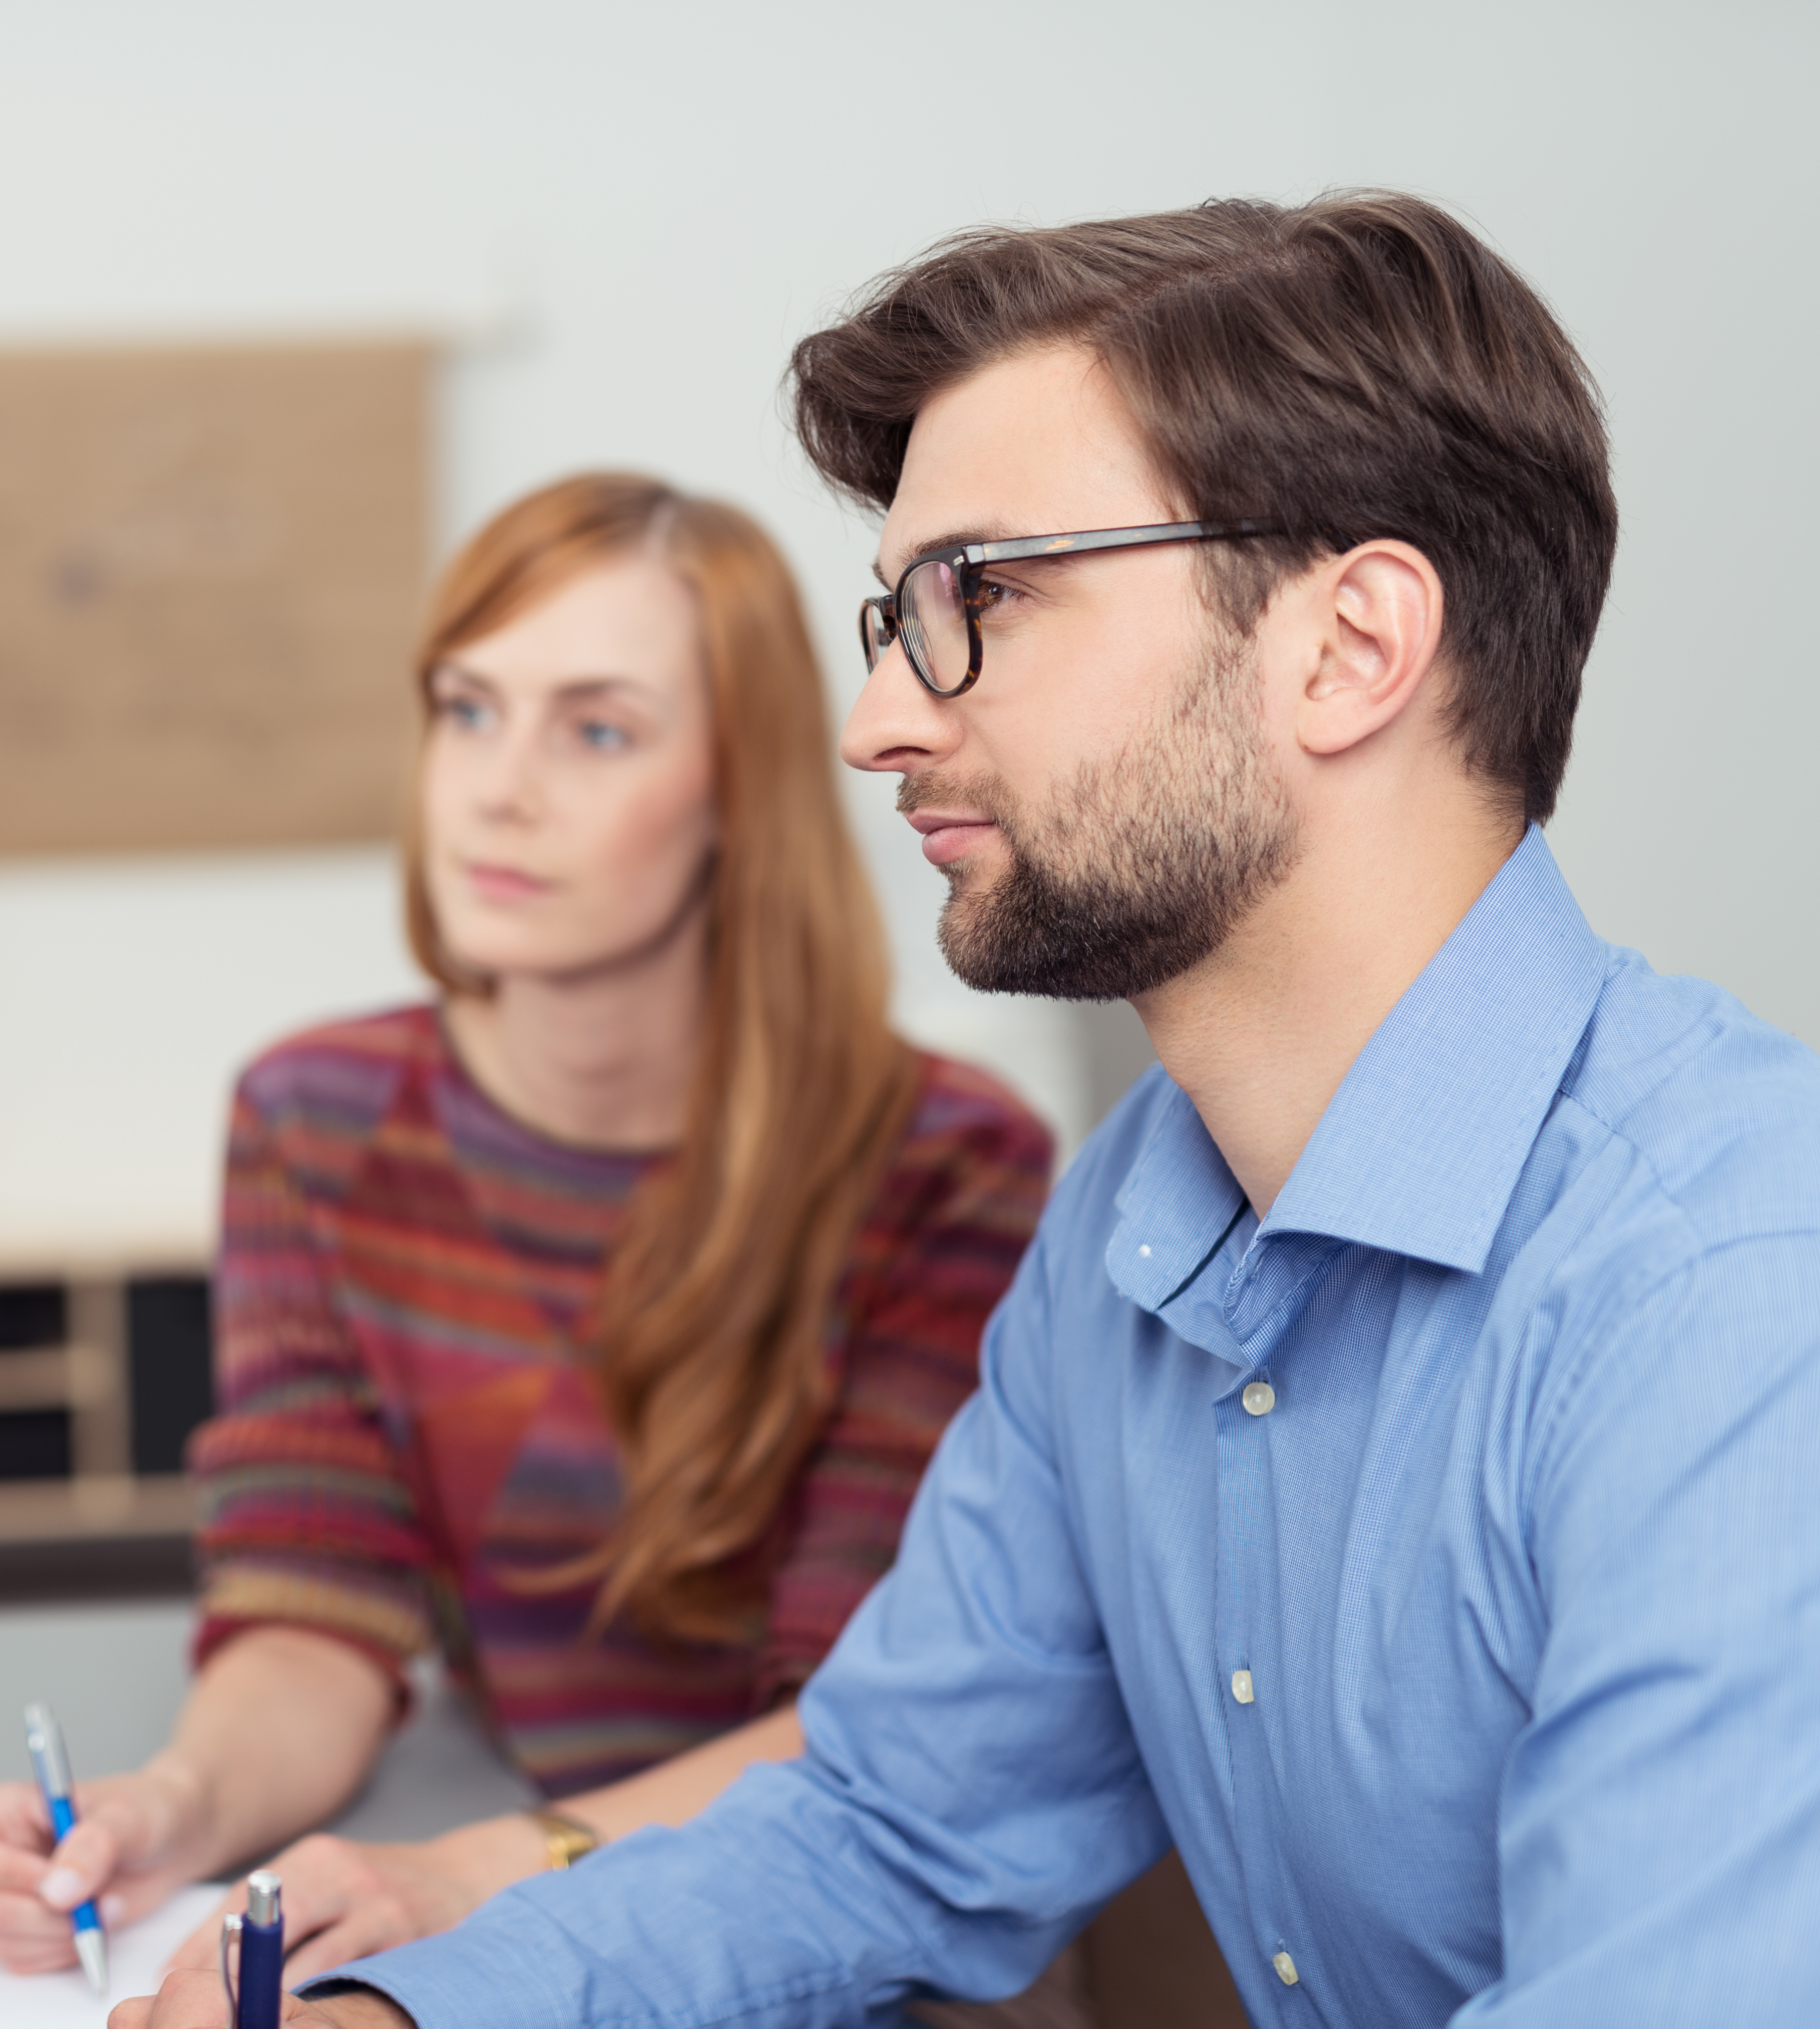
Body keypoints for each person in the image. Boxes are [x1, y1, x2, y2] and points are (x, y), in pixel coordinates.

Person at [118, 193, 1820, 2029]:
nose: (872, 724)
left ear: (1347, 648)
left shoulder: (1732, 1294)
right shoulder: (1122, 1234)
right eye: (899, 615)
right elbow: (879, 1826)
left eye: (985, 597)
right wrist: (396, 2018)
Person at [0, 473, 1054, 1999]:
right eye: (468, 711)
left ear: (742, 794)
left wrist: (465, 1875)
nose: (496, 788)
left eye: (596, 730)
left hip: (835, 1927)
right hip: (526, 1904)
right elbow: (315, 1608)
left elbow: (868, 1729)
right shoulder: (316, 1118)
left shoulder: (946, 1166)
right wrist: (166, 1808)